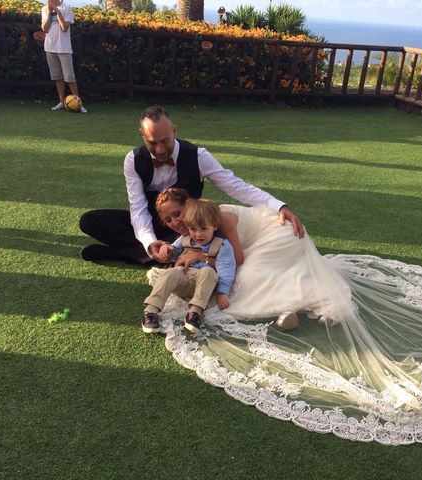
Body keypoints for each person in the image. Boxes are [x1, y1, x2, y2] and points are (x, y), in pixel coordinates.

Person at [148, 187, 422, 445]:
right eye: (169, 220)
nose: (176, 223)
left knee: (251, 279)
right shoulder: (193, 227)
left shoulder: (219, 219)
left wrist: (207, 266)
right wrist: (178, 251)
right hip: (256, 241)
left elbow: (237, 255)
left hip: (276, 237)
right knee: (271, 276)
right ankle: (307, 305)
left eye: (178, 214)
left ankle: (297, 306)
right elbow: (187, 245)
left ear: (194, 207)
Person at [78, 105, 303, 265]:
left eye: (164, 141)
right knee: (90, 221)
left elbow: (235, 186)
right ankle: (147, 253)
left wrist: (279, 206)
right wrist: (149, 242)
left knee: (205, 242)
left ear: (174, 130)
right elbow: (137, 208)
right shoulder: (133, 160)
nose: (159, 150)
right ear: (141, 135)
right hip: (154, 226)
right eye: (151, 142)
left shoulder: (198, 156)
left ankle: (133, 253)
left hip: (190, 231)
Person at [142, 198, 235, 334]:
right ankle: (150, 311)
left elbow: (227, 268)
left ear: (214, 226)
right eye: (193, 229)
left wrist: (222, 292)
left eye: (203, 228)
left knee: (208, 272)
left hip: (204, 285)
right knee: (169, 272)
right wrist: (166, 249)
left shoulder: (222, 245)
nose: (198, 234)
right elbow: (174, 253)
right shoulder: (185, 239)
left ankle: (195, 313)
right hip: (184, 280)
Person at [41, 0, 87, 113]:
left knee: (70, 77)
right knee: (57, 77)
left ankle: (78, 103)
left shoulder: (67, 8)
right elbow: (45, 28)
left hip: (64, 48)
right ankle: (62, 102)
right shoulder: (44, 9)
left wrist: (57, 12)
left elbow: (64, 27)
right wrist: (49, 12)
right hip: (50, 48)